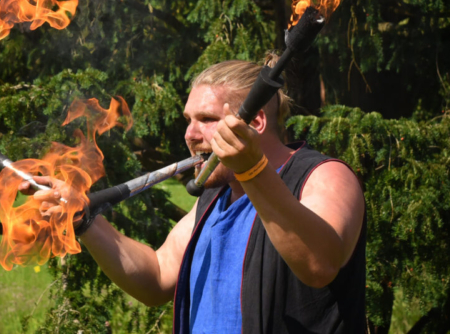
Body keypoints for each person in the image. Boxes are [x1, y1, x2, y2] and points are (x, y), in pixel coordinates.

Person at [21, 53, 366, 333]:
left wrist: (252, 170)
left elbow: (319, 265)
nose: (190, 134)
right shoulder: (215, 199)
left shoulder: (321, 176)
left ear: (256, 122)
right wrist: (83, 219)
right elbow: (157, 277)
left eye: (206, 118)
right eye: (189, 119)